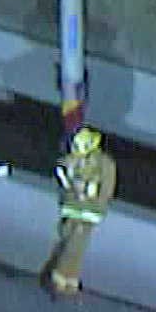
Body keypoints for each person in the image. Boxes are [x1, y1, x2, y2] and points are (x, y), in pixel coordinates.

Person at [38, 126, 116, 298]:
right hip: (72, 207)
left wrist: (92, 195)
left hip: (89, 210)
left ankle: (61, 278)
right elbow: (64, 173)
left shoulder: (105, 164)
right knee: (66, 239)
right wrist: (67, 181)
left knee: (77, 244)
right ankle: (67, 277)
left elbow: (106, 190)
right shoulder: (71, 160)